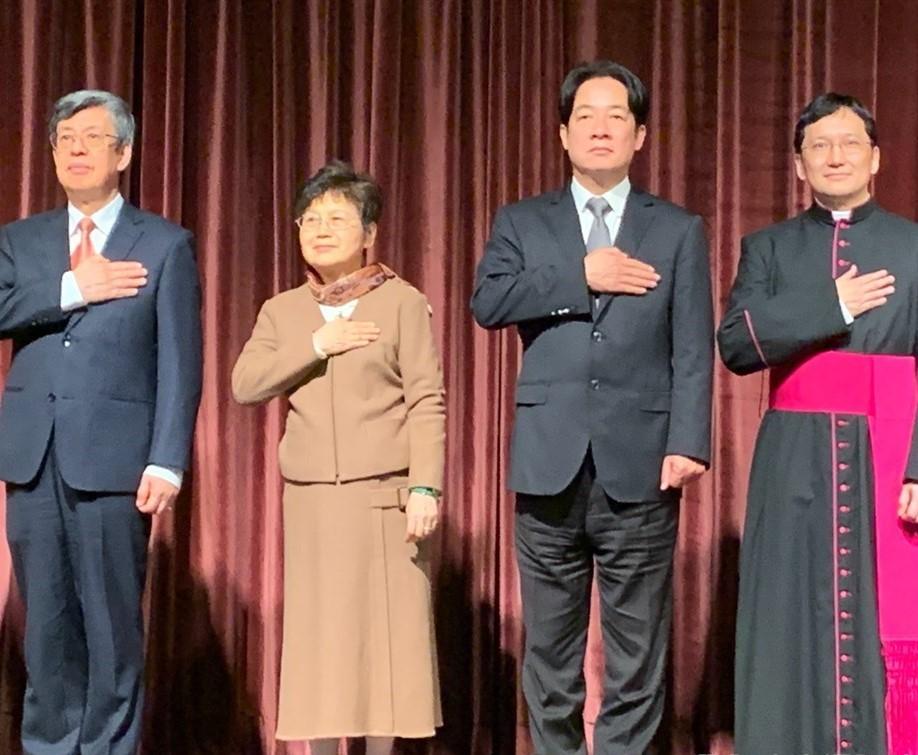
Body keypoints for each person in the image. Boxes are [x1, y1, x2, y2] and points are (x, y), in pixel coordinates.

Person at [471, 60, 714, 754]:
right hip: (548, 462)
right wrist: (581, 274)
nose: (601, 127)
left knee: (637, 657)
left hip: (642, 464)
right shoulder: (522, 221)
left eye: (616, 116)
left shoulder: (676, 228)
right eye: (587, 116)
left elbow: (692, 345)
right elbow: (488, 302)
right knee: (550, 656)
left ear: (639, 135)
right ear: (563, 132)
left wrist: (689, 440)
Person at [0, 90, 202, 754]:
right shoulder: (21, 239)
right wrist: (72, 288)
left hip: (116, 462)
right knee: (46, 630)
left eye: (92, 136)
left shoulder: (164, 243)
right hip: (32, 459)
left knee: (114, 631)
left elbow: (180, 359)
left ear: (125, 152)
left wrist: (167, 457)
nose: (77, 148)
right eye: (65, 138)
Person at [718, 92, 918, 754]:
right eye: (819, 146)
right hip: (793, 457)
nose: (835, 156)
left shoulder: (914, 246)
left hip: (890, 453)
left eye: (849, 143)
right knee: (787, 617)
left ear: (876, 158)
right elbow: (736, 345)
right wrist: (828, 302)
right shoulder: (767, 249)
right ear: (799, 164)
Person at [232, 160, 444, 755]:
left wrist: (426, 488)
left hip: (385, 500)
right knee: (322, 652)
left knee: (383, 654)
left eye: (337, 218)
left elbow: (428, 399)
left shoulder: (402, 302)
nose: (321, 229)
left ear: (369, 232)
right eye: (310, 219)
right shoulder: (282, 311)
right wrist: (316, 345)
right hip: (313, 503)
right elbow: (244, 385)